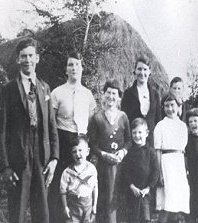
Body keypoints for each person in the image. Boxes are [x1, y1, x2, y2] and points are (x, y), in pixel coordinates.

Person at [0, 38, 59, 223]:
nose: (27, 60)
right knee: (17, 213)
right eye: (23, 56)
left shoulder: (44, 88)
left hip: (41, 158)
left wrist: (54, 158)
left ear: (37, 58)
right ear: (18, 60)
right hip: (19, 159)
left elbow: (51, 126)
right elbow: (1, 130)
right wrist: (6, 166)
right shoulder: (8, 90)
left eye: (31, 55)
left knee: (42, 213)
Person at [49, 50, 96, 222]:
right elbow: (51, 122)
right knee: (61, 184)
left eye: (77, 64)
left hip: (81, 141)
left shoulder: (88, 94)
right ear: (65, 69)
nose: (74, 67)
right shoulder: (57, 93)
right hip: (62, 140)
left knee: (80, 185)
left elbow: (90, 120)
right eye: (70, 64)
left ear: (82, 68)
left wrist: (83, 141)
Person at [88, 80, 131, 223]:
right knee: (105, 199)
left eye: (115, 93)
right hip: (104, 166)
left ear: (119, 97)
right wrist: (103, 154)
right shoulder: (97, 118)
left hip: (120, 165)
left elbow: (129, 140)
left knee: (119, 198)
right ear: (103, 95)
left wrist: (123, 152)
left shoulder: (123, 117)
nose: (111, 96)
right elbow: (92, 145)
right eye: (108, 93)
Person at [154, 93, 190, 223]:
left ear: (178, 106)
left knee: (177, 204)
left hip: (179, 165)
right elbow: (158, 150)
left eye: (172, 105)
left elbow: (183, 151)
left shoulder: (183, 126)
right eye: (166, 106)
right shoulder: (160, 126)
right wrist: (159, 173)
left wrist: (185, 170)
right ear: (163, 108)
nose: (170, 109)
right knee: (166, 204)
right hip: (166, 164)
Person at [123, 118, 159, 223]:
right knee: (133, 218)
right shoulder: (129, 152)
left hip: (146, 192)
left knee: (145, 217)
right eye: (134, 133)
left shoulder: (151, 152)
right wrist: (131, 186)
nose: (137, 135)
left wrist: (148, 188)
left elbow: (155, 171)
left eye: (140, 132)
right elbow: (126, 171)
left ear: (146, 133)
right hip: (132, 192)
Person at [121, 55, 161, 146]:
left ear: (149, 71)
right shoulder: (128, 94)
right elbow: (124, 120)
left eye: (145, 69)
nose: (142, 73)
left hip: (150, 142)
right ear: (134, 71)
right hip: (133, 141)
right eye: (139, 69)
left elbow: (158, 121)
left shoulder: (155, 95)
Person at [60, 134, 98, 223]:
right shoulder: (67, 172)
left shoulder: (92, 169)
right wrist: (65, 207)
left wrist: (94, 206)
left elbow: (95, 188)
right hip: (73, 207)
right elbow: (63, 191)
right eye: (74, 151)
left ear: (87, 151)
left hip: (88, 206)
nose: (77, 154)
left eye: (80, 150)